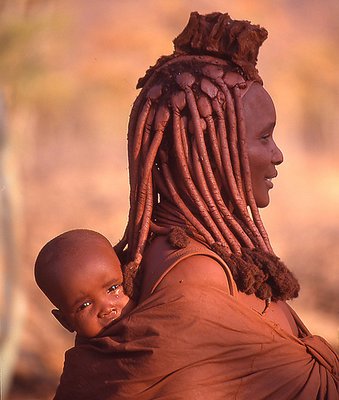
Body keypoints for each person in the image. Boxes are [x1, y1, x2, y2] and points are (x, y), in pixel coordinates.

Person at [53, 12, 338, 399]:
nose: (278, 155)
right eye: (264, 137)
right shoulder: (195, 281)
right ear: (203, 148)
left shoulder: (215, 257)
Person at [34, 229, 134, 338]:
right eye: (84, 305)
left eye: (113, 288)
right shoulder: (87, 354)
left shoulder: (151, 311)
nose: (106, 309)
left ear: (130, 275)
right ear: (66, 322)